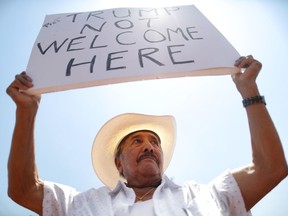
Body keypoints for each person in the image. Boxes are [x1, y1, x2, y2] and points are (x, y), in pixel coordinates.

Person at [6, 55, 288, 216]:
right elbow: (23, 190)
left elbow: (271, 169)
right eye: (136, 141)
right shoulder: (80, 205)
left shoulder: (210, 195)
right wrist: (26, 112)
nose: (150, 146)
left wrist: (249, 90)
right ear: (119, 163)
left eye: (154, 142)